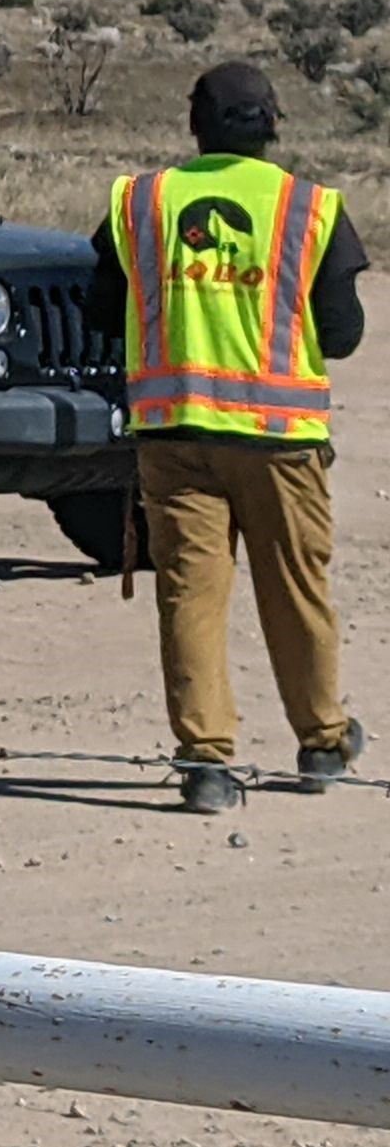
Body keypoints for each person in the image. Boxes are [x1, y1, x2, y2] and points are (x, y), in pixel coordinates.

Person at [92, 60, 367, 816]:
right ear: (273, 125)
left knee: (189, 597)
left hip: (175, 433)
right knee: (297, 593)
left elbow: (98, 307)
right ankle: (320, 742)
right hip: (280, 440)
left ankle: (207, 763)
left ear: (196, 127)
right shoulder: (309, 208)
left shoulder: (144, 202)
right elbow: (341, 334)